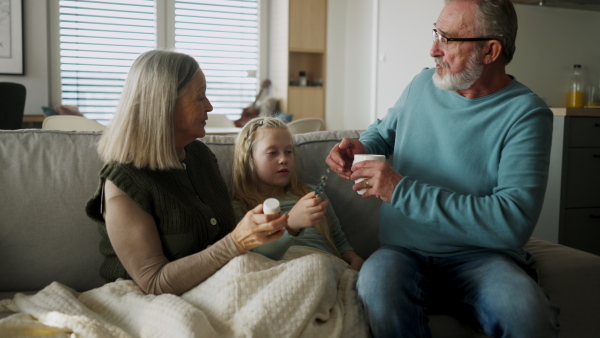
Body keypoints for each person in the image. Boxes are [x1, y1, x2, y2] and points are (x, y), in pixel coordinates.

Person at [325, 0, 560, 336]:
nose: (433, 49)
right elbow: (382, 132)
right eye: (436, 33)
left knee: (527, 314)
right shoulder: (422, 85)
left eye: (448, 39)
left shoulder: (526, 114)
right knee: (376, 289)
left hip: (482, 257)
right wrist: (362, 147)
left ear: (491, 50)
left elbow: (511, 223)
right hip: (402, 251)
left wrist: (399, 190)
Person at [85, 50, 289, 296]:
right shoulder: (123, 181)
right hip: (143, 299)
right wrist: (235, 242)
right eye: (200, 97)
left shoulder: (200, 156)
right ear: (163, 104)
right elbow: (153, 282)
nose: (210, 106)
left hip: (220, 286)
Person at [231, 117, 364, 271]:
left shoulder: (312, 194)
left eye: (289, 152)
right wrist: (290, 225)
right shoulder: (241, 207)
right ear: (249, 160)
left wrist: (355, 260)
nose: (283, 159)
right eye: (272, 153)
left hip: (321, 264)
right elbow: (253, 257)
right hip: (273, 270)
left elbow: (339, 243)